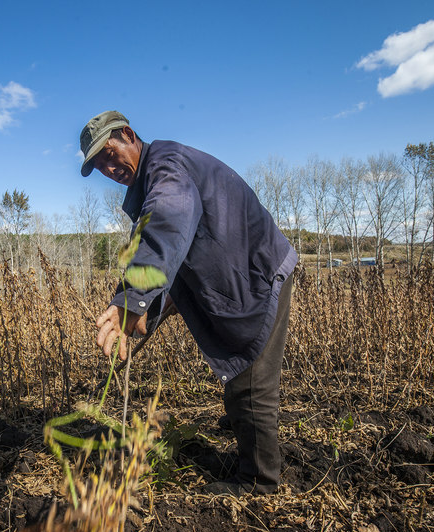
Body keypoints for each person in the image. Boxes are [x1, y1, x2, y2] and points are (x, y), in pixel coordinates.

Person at [80, 110, 298, 495]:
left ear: (128, 134)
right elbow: (171, 256)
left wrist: (131, 300)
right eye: (100, 166)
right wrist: (148, 312)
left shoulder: (167, 170)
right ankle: (244, 428)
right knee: (242, 377)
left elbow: (166, 225)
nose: (109, 168)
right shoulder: (153, 181)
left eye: (110, 154)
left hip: (256, 272)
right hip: (236, 272)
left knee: (251, 378)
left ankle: (259, 482)